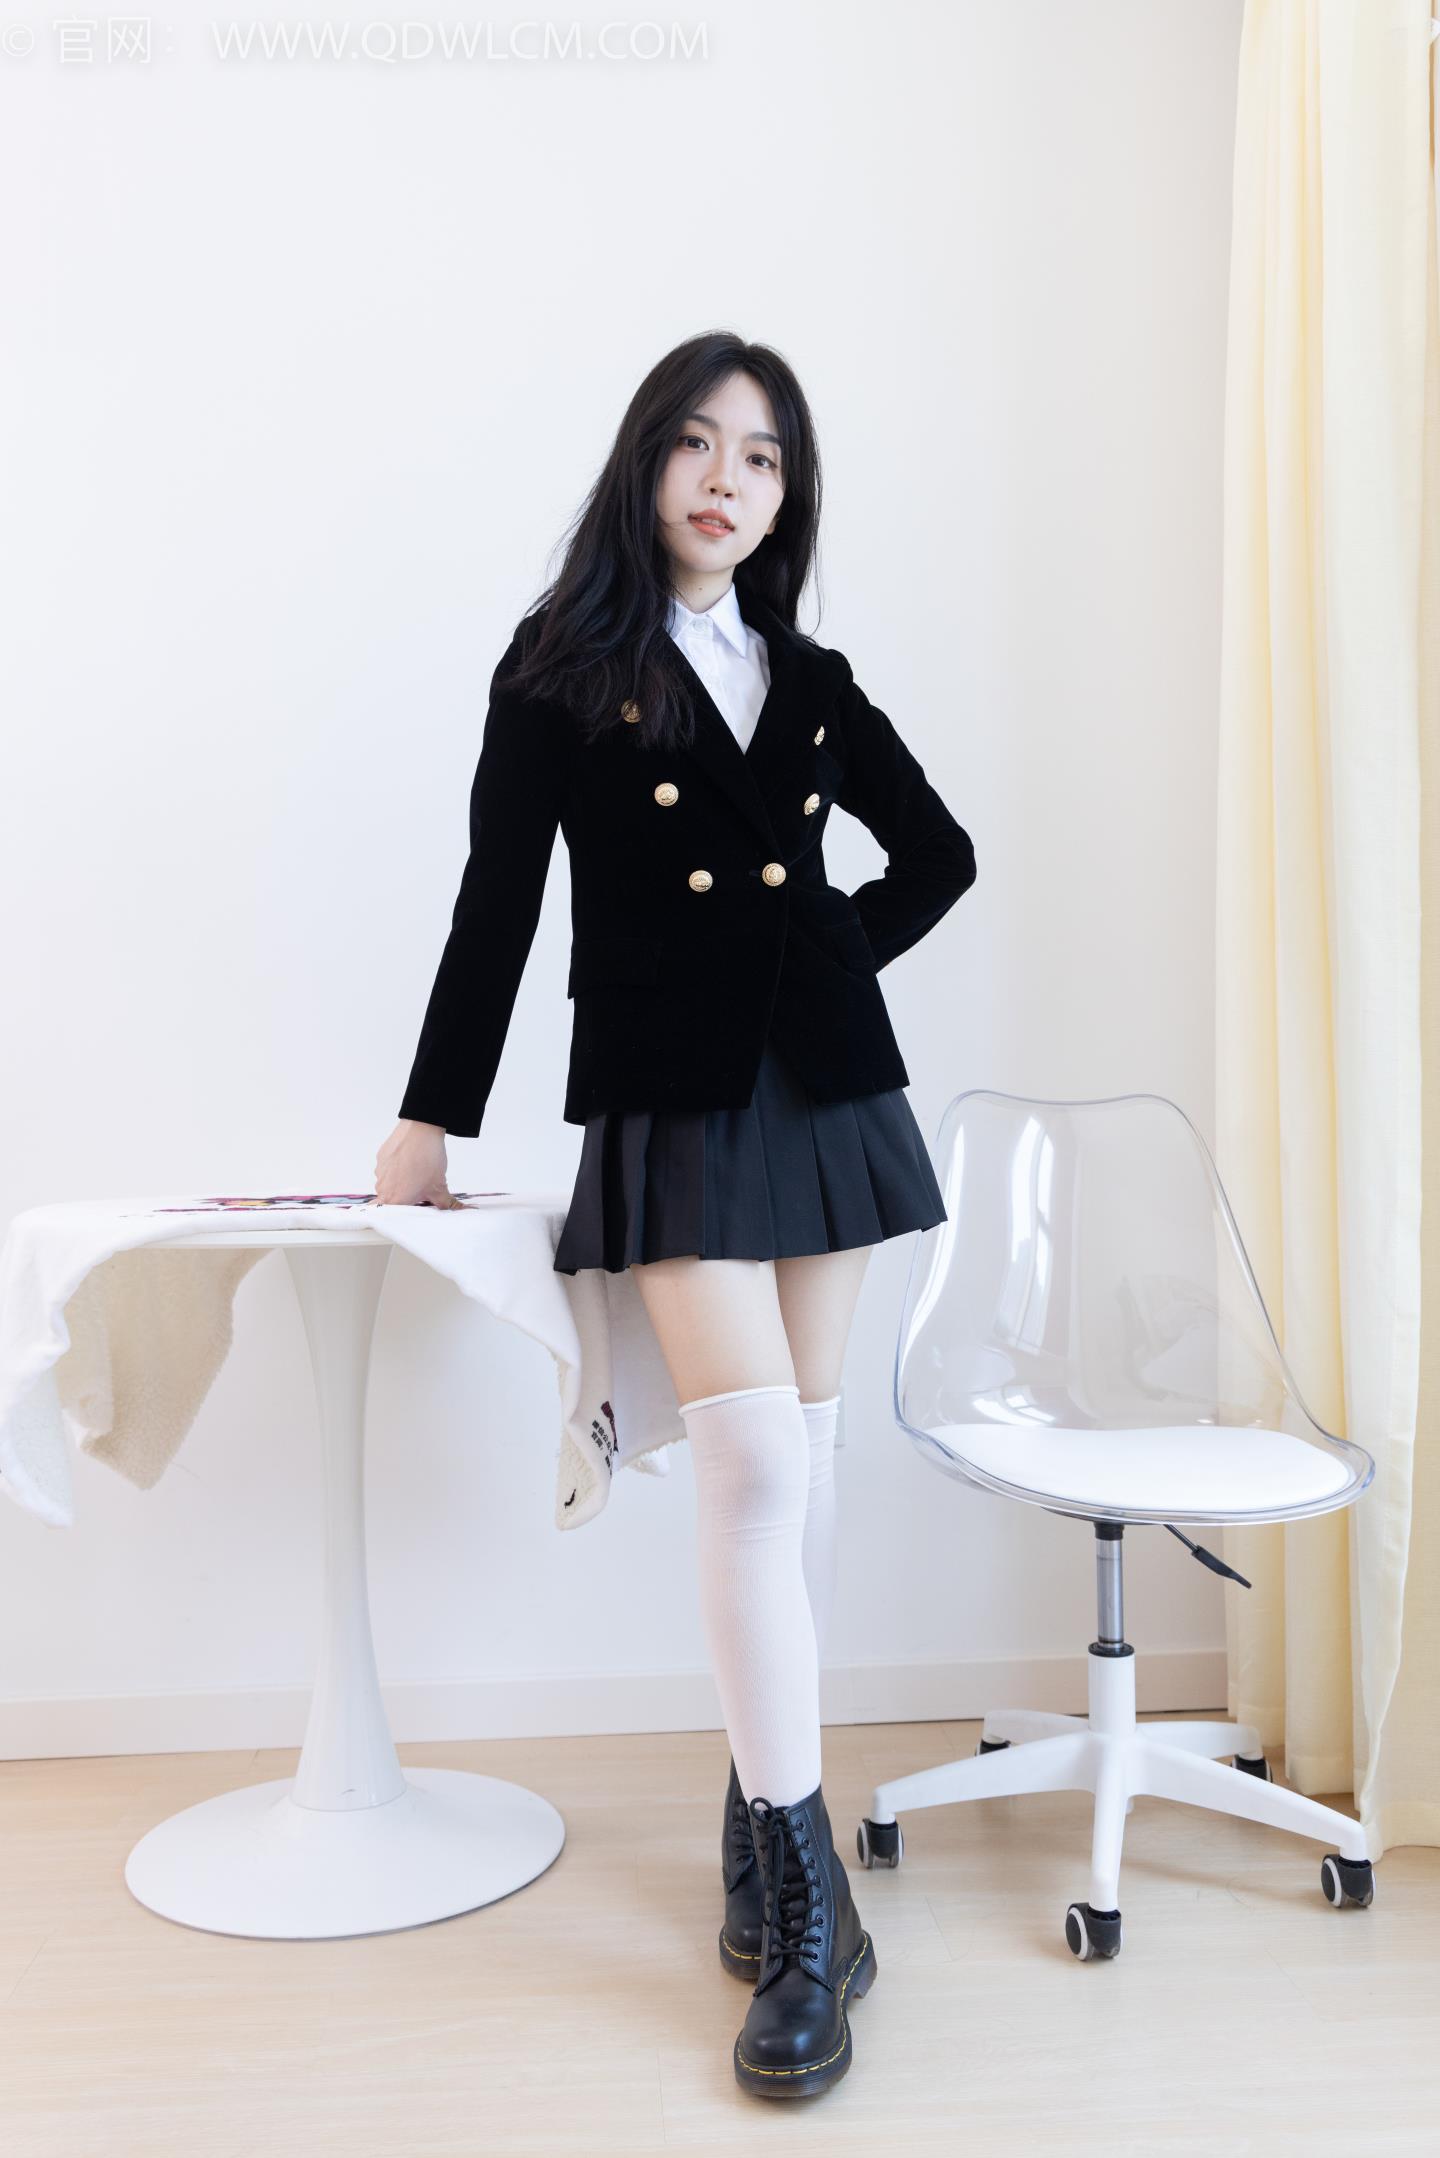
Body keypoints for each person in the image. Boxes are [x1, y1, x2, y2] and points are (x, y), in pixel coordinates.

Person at [373, 331, 977, 2099]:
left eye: (764, 457)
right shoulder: (563, 667)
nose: (729, 479)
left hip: (827, 1086)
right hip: (672, 1092)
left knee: (811, 1455)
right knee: (755, 1465)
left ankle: (760, 1802)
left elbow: (939, 853)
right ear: (647, 463)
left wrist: (826, 950)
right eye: (700, 444)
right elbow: (497, 900)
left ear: (788, 498)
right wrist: (430, 1113)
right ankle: (809, 1901)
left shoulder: (812, 677)